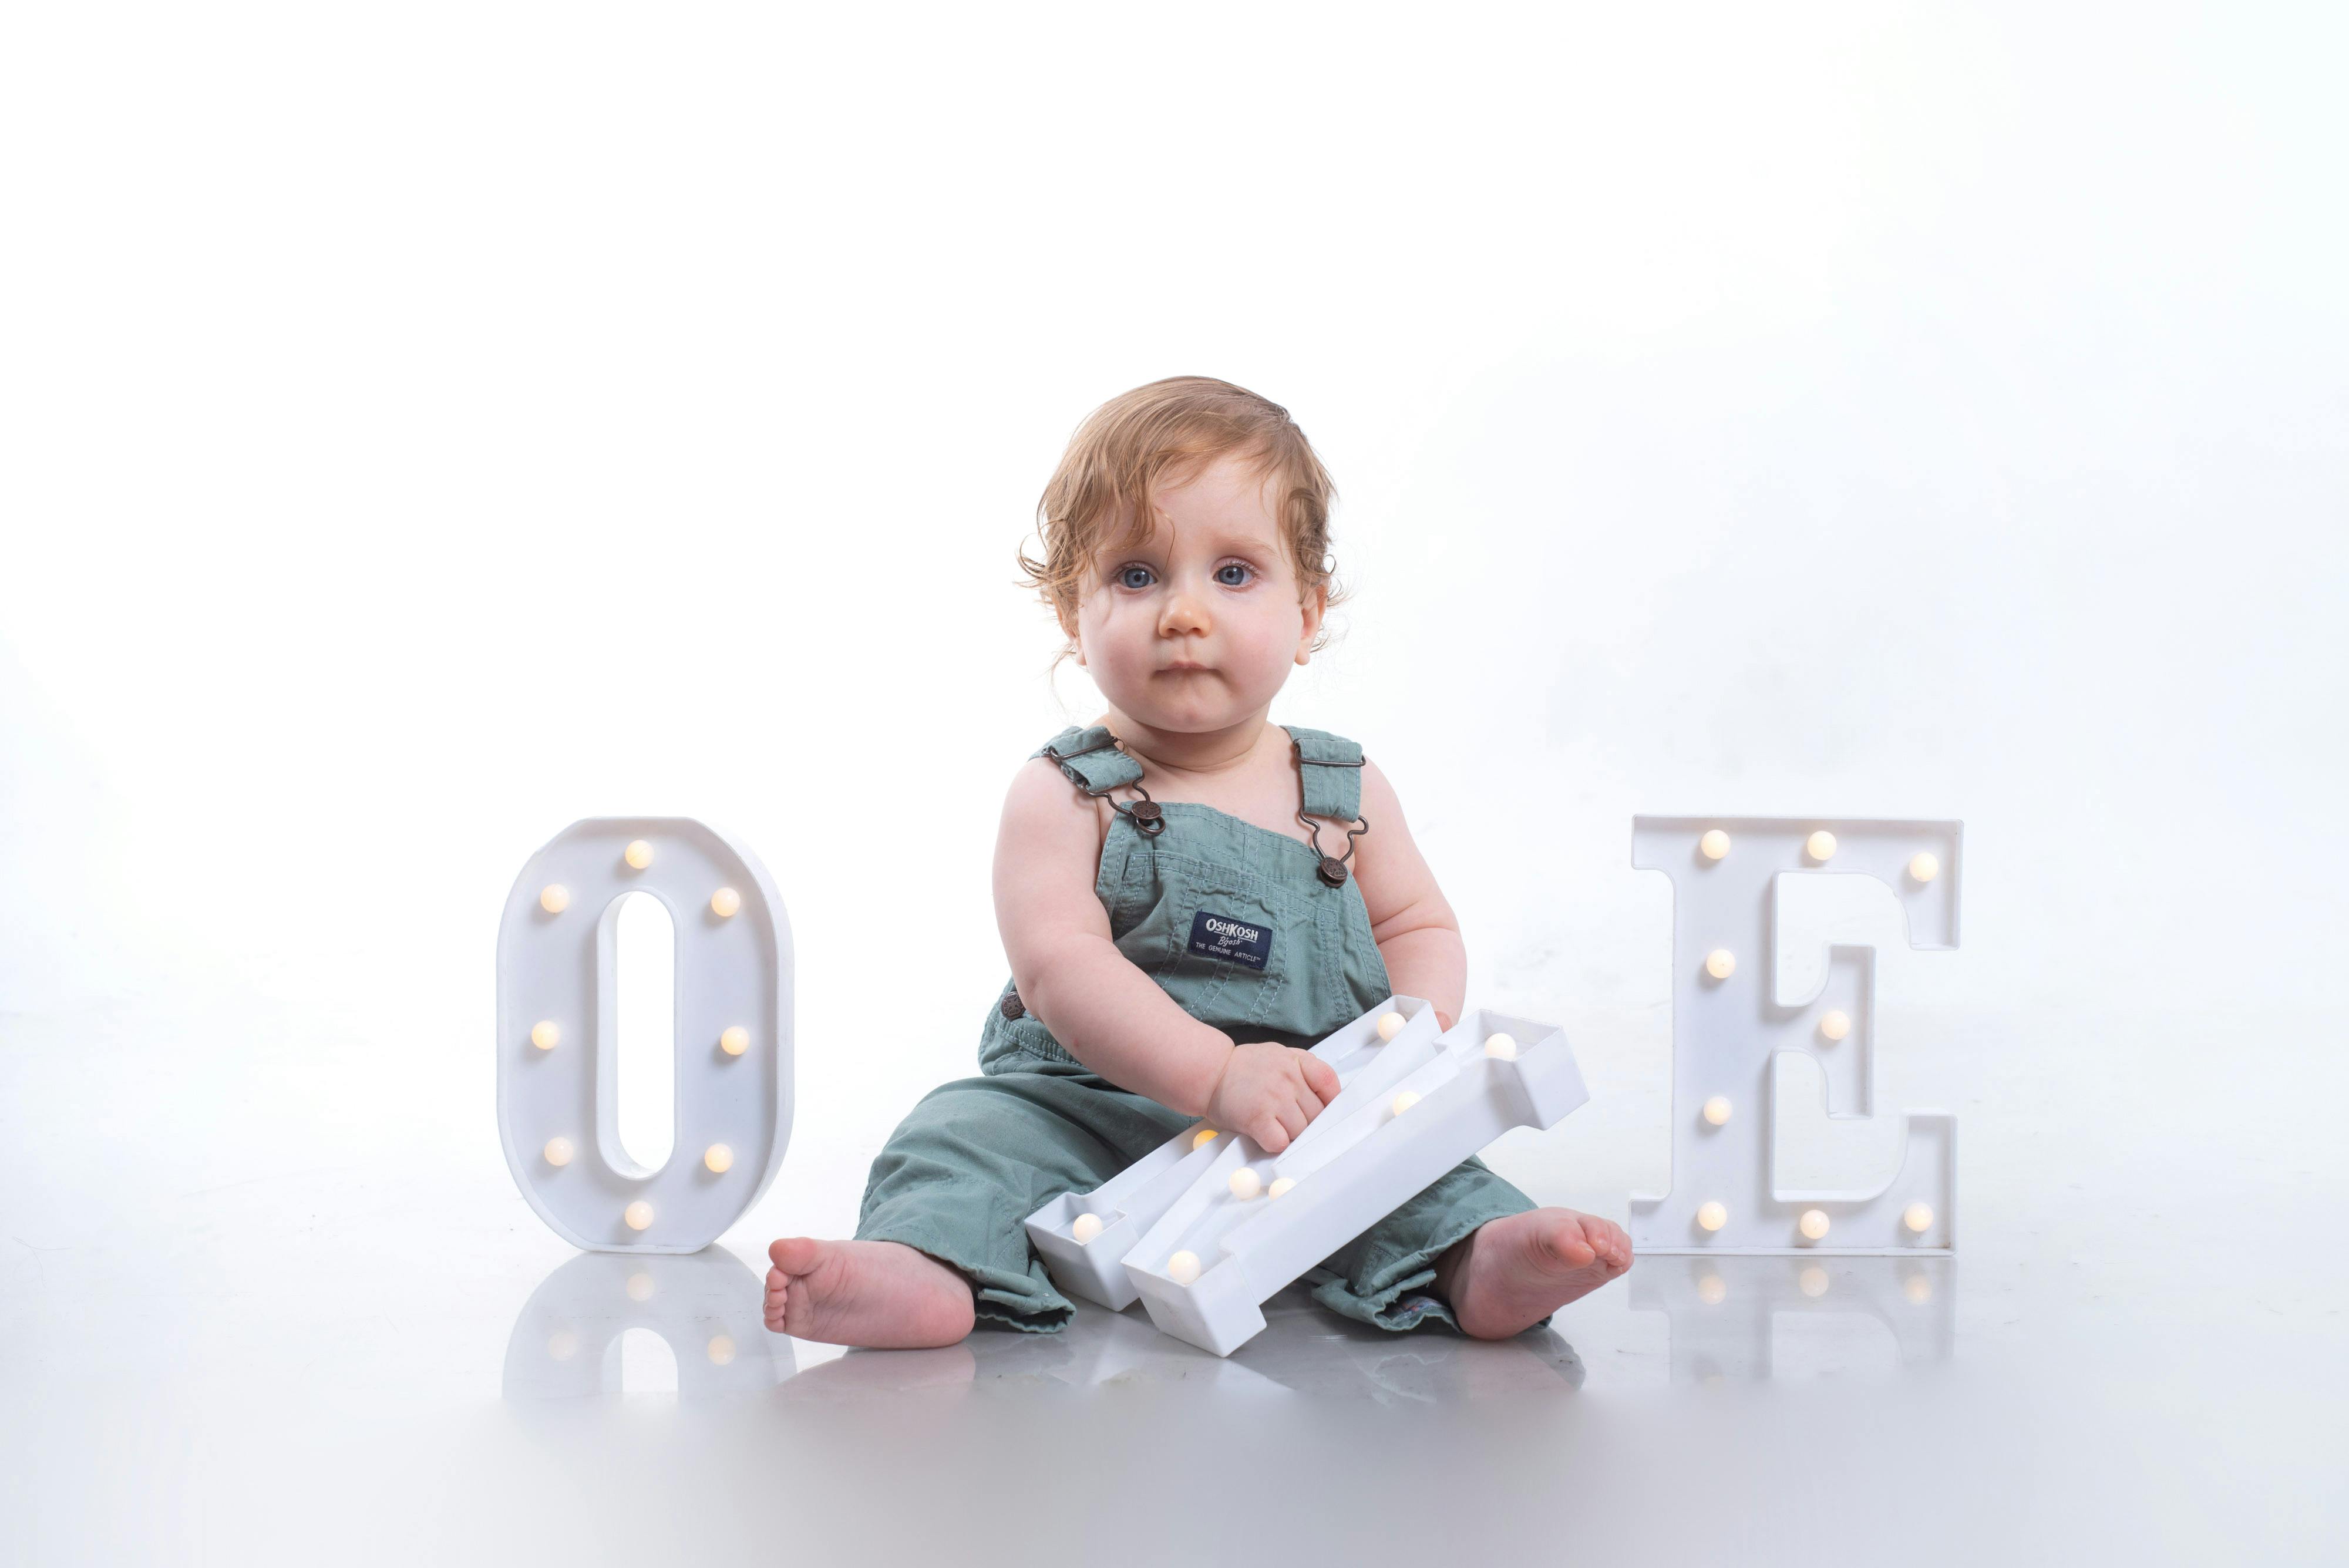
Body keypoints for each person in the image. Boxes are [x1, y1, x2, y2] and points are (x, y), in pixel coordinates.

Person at [765, 376, 1631, 1348]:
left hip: (1303, 1112)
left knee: (1422, 1172)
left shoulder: (1342, 791)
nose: (1183, 611)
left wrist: (1402, 1056)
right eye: (1137, 575)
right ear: (1071, 613)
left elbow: (1417, 927)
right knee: (961, 1137)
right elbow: (1061, 971)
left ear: (1308, 614)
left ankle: (1486, 1258)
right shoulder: (1065, 794)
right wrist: (1215, 1073)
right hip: (1087, 1104)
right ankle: (922, 1267)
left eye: (1233, 573)